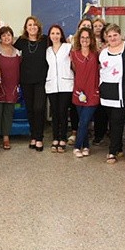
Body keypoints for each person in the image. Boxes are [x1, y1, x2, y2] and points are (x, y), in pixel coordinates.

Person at [98, 23, 125, 164]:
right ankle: (119, 147)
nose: (112, 38)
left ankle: (112, 151)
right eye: (109, 36)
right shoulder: (103, 52)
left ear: (120, 34)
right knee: (112, 121)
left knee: (117, 121)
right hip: (107, 92)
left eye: (115, 35)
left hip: (124, 92)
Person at [13, 16, 49, 151]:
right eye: (29, 25)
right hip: (25, 80)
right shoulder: (21, 41)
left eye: (34, 24)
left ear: (38, 26)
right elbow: (10, 52)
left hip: (41, 80)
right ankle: (33, 136)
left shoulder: (45, 40)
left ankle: (39, 137)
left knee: (39, 108)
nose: (32, 27)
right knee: (29, 109)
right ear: (26, 27)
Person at [70, 26, 100, 157]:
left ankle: (77, 147)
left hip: (93, 92)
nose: (85, 40)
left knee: (84, 121)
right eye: (82, 37)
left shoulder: (97, 54)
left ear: (92, 39)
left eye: (88, 37)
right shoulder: (73, 54)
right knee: (84, 121)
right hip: (79, 93)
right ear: (79, 39)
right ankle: (86, 146)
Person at [0, 25, 21, 150]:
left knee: (9, 112)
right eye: (3, 35)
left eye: (9, 35)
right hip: (0, 85)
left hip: (12, 86)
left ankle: (6, 137)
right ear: (0, 38)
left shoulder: (17, 52)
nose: (6, 37)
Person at [45, 24, 73, 153]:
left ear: (61, 35)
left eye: (57, 33)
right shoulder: (47, 50)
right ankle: (55, 138)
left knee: (63, 112)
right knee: (54, 113)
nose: (55, 36)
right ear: (49, 36)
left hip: (66, 85)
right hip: (52, 85)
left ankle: (63, 138)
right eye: (52, 33)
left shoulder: (68, 47)